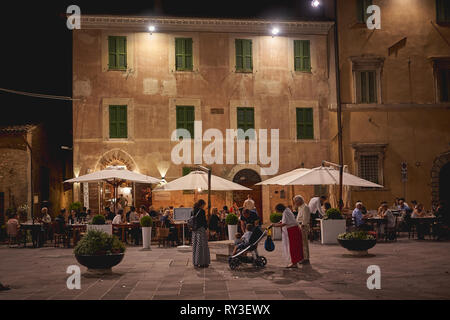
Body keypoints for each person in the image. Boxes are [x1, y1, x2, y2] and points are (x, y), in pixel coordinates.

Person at [271, 203, 303, 268]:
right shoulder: (287, 210)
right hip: (294, 230)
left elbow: (284, 223)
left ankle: (294, 263)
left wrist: (275, 225)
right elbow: (284, 221)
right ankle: (295, 261)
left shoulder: (286, 212)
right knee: (295, 247)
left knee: (293, 247)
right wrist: (277, 224)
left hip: (292, 231)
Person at [191, 199, 210, 268]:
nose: (204, 206)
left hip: (194, 231)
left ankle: (195, 262)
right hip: (200, 230)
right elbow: (203, 221)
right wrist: (206, 228)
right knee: (202, 246)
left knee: (195, 246)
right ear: (202, 204)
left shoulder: (193, 211)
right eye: (204, 205)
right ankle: (202, 262)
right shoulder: (202, 211)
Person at [294, 195, 310, 264]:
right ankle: (303, 257)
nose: (295, 203)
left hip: (303, 226)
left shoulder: (305, 207)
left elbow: (306, 218)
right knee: (301, 243)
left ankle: (306, 258)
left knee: (304, 243)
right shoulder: (300, 207)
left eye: (295, 202)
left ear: (299, 201)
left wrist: (302, 225)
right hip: (300, 226)